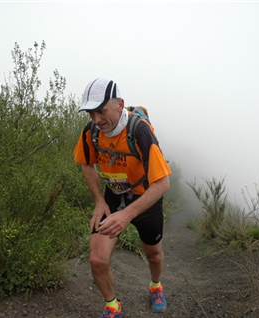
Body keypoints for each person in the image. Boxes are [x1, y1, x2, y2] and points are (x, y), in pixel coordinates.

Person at [73, 77, 171, 317]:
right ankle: (112, 306)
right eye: (91, 113)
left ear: (119, 105)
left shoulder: (139, 131)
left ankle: (155, 285)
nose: (96, 119)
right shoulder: (91, 132)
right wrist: (99, 201)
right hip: (113, 198)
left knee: (154, 254)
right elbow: (87, 165)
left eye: (101, 111)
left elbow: (162, 182)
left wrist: (126, 215)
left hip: (145, 198)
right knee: (97, 259)